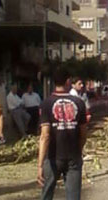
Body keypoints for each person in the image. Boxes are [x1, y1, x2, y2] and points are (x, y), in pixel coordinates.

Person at [37, 68, 87, 200]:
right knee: (73, 196)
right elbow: (83, 133)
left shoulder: (46, 104)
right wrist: (79, 150)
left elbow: (45, 136)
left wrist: (40, 164)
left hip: (53, 156)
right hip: (73, 157)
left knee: (47, 194)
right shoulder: (79, 103)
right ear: (68, 81)